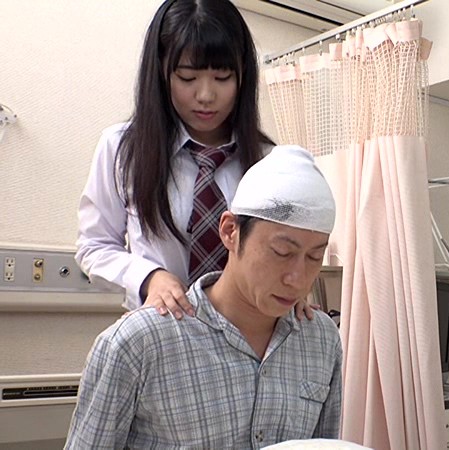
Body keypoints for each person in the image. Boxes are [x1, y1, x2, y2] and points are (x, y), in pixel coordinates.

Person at [65, 146, 342, 448]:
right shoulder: (139, 343)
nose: (297, 279)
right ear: (230, 231)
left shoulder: (320, 339)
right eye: (282, 252)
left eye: (314, 257)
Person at [75, 0, 313, 320]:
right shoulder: (122, 148)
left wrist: (288, 290)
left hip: (248, 332)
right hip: (163, 327)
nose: (205, 95)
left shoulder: (268, 161)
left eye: (223, 77)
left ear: (243, 76)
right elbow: (95, 247)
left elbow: (283, 249)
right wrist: (149, 278)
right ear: (161, 72)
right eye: (187, 78)